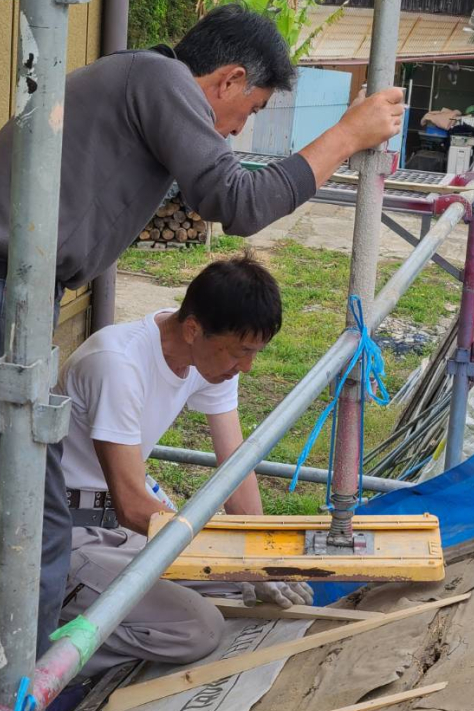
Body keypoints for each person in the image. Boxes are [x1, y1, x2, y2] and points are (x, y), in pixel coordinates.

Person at [0, 4, 403, 711]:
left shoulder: (133, 83)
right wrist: (348, 137)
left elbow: (231, 456)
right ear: (227, 80)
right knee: (23, 548)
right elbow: (239, 203)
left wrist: (254, 551)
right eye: (245, 112)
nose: (233, 134)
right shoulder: (161, 80)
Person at [56, 254, 311, 678]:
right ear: (194, 328)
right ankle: (46, 657)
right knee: (198, 629)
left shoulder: (206, 359)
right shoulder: (117, 365)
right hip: (70, 534)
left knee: (243, 585)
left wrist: (261, 557)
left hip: (121, 529)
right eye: (240, 352)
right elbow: (135, 507)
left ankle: (127, 621)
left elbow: (237, 466)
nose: (245, 367)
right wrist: (233, 555)